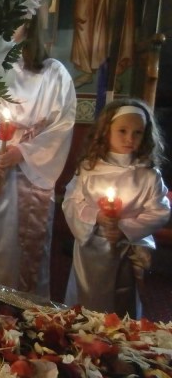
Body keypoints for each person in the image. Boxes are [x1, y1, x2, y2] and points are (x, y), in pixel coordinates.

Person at [0, 14, 77, 299]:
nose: (8, 25)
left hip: (28, 174)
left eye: (16, 18)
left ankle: (19, 307)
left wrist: (22, 152)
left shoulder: (53, 73)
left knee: (19, 253)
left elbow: (61, 125)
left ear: (30, 23)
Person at [63, 98, 170, 318]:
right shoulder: (89, 168)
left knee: (122, 298)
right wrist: (97, 216)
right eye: (122, 131)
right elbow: (72, 201)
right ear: (106, 131)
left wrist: (124, 228)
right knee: (89, 300)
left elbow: (160, 211)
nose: (130, 138)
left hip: (125, 248)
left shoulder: (148, 175)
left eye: (138, 133)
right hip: (92, 247)